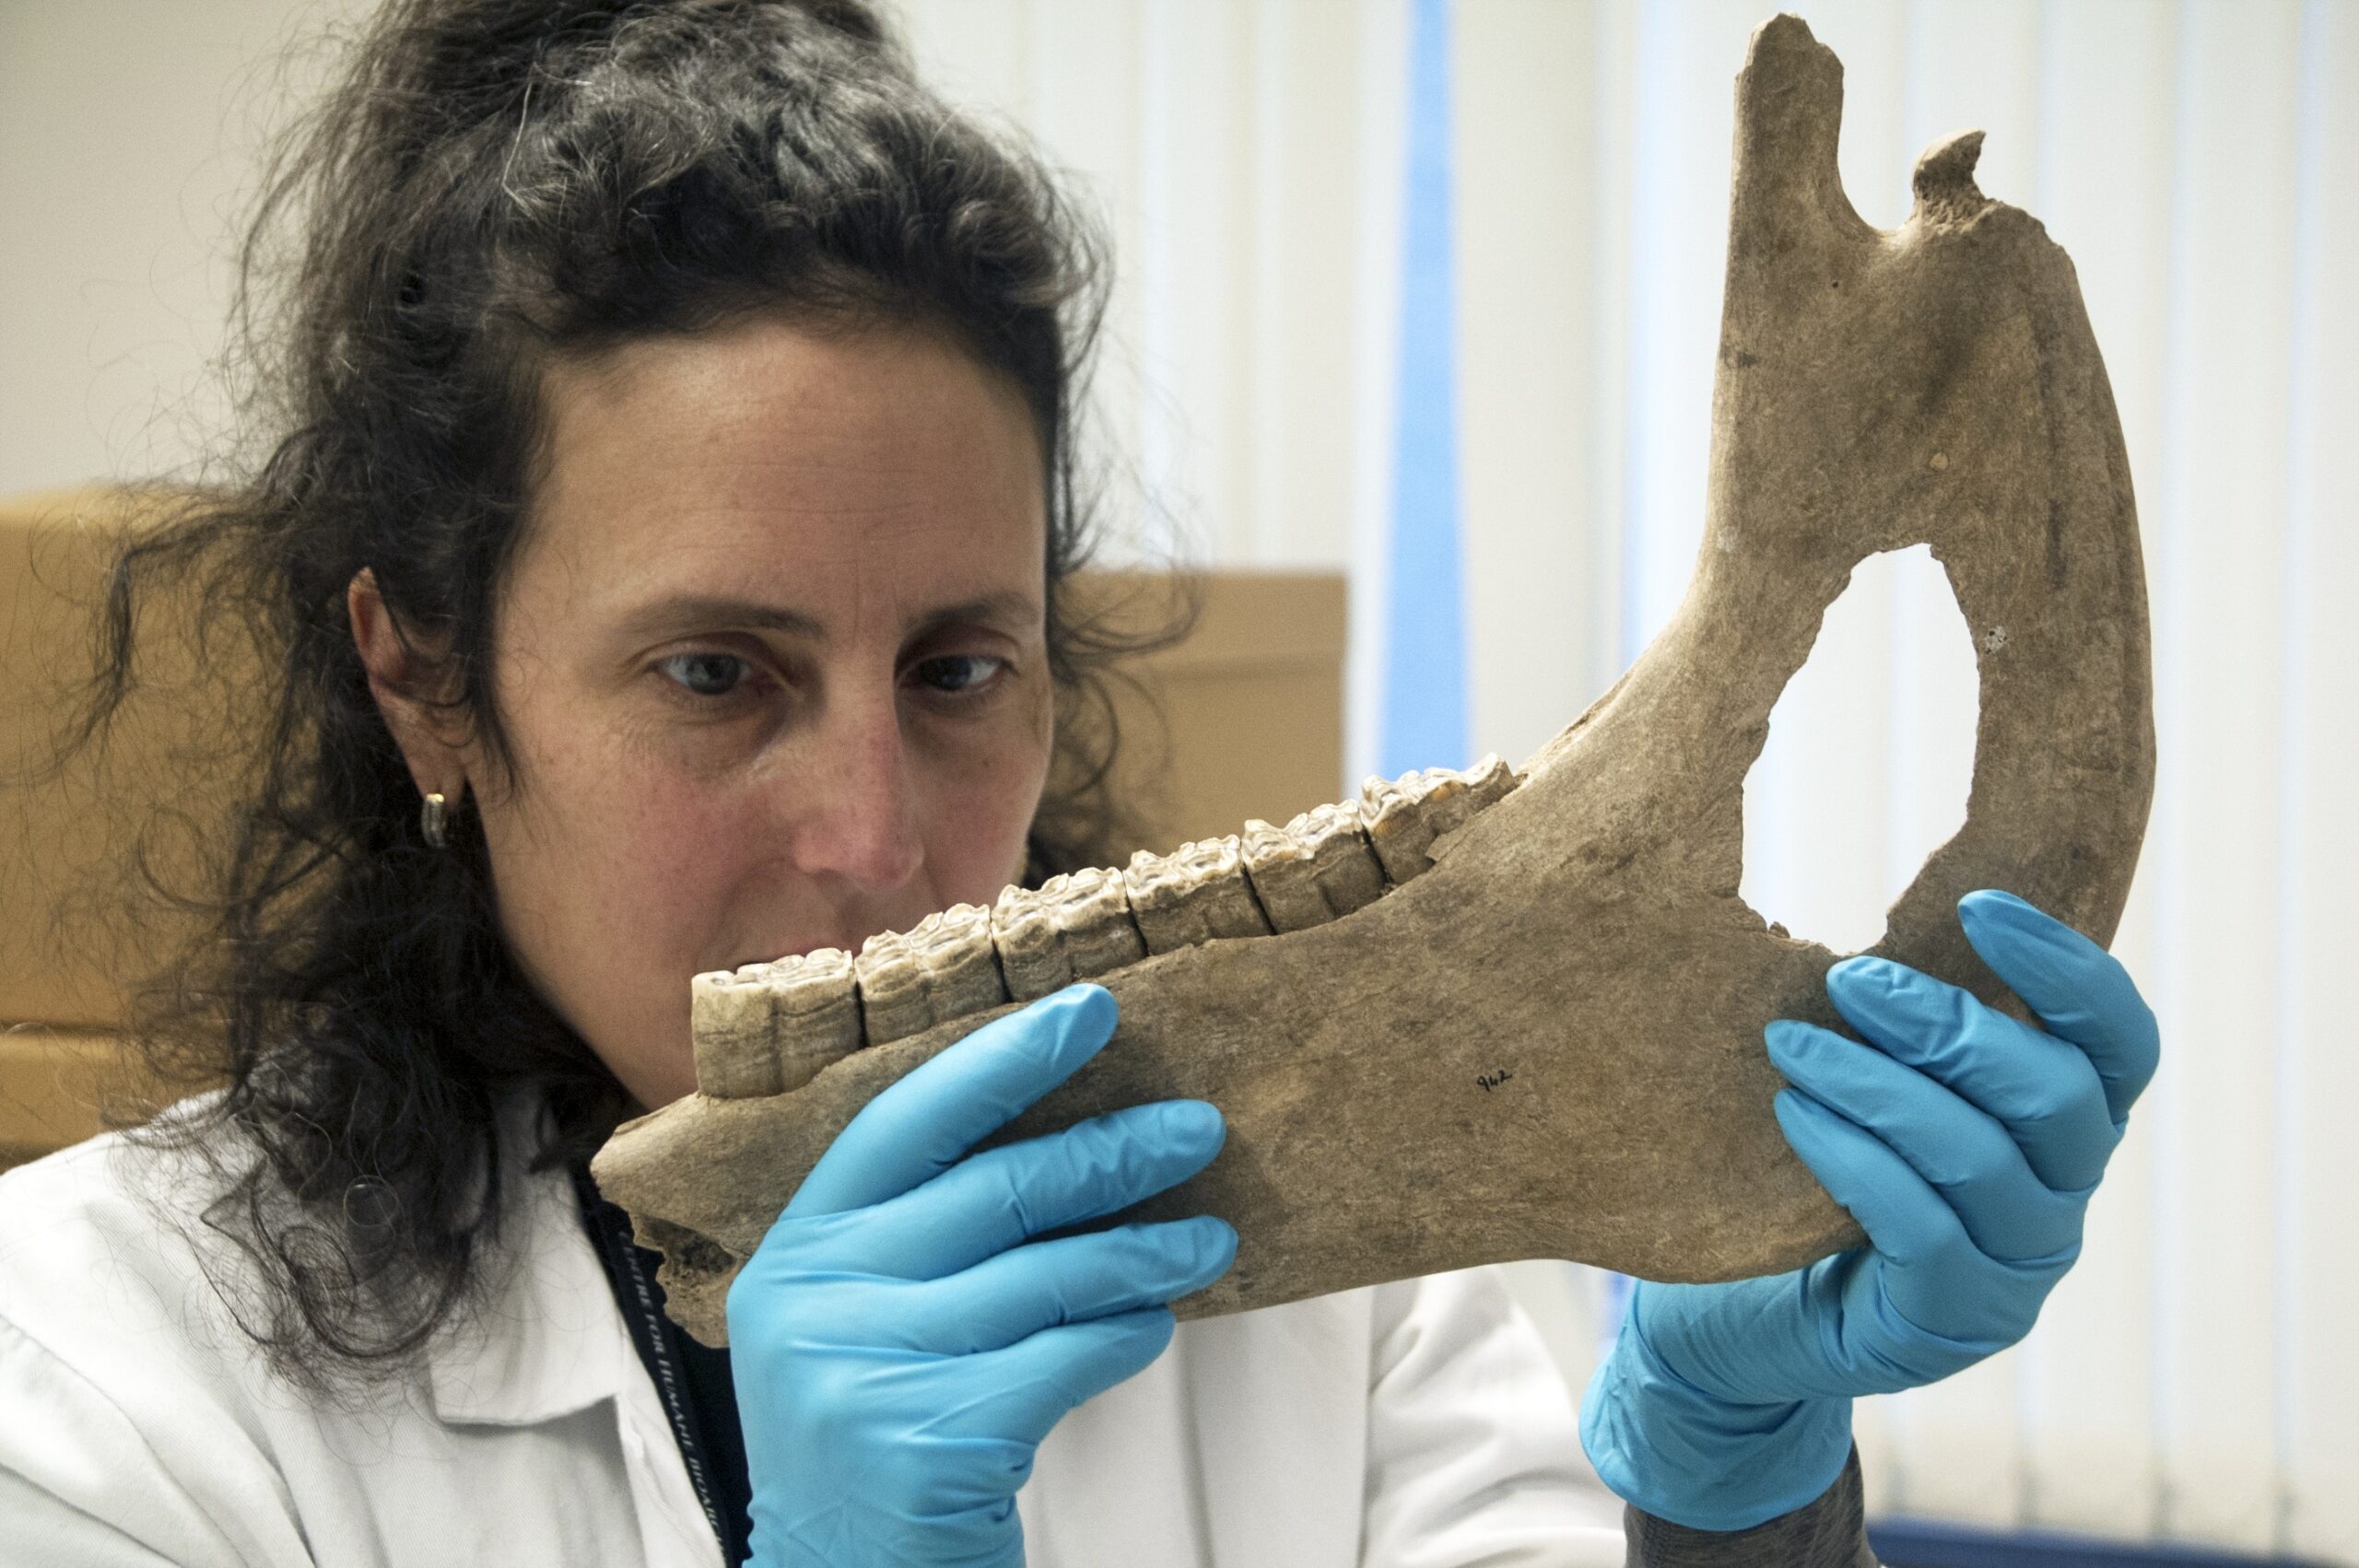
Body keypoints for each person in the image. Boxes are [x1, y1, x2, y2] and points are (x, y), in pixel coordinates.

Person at [0, 3, 2159, 1565]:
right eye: (710, 672)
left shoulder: (1336, 1287)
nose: (873, 833)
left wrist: (1734, 1469)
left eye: (958, 665)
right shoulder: (95, 1382)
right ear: (425, 684)